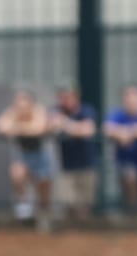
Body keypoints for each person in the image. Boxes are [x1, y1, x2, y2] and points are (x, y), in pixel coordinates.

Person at [0, 88, 52, 222]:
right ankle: (24, 206)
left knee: (43, 185)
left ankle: (44, 212)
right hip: (23, 154)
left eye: (24, 104)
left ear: (31, 104)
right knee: (17, 173)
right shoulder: (12, 111)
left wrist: (17, 128)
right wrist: (23, 127)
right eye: (18, 104)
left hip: (41, 154)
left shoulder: (39, 110)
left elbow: (39, 128)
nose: (21, 108)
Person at [50, 83, 99, 219]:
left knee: (85, 207)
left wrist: (66, 124)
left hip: (86, 164)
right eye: (62, 97)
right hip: (66, 166)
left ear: (76, 97)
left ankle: (84, 237)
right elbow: (49, 125)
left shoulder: (86, 110)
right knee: (68, 205)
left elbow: (88, 130)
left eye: (68, 97)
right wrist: (74, 128)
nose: (65, 101)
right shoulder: (55, 111)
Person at [104, 84, 137, 212]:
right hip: (125, 162)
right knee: (129, 177)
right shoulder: (118, 114)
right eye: (128, 98)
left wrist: (129, 133)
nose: (131, 101)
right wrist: (122, 134)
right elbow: (108, 129)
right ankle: (133, 211)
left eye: (134, 98)